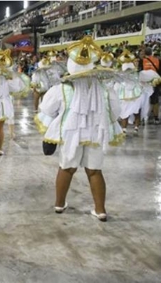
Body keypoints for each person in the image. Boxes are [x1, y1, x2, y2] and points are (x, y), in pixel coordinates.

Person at [35, 36, 124, 222]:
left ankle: (59, 205)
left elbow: (46, 109)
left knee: (66, 168)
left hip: (71, 134)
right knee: (95, 171)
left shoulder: (62, 88)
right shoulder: (105, 89)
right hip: (95, 134)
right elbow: (115, 114)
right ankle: (100, 211)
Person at [139, 47, 161, 124]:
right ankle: (156, 118)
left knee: (144, 100)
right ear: (152, 53)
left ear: (145, 53)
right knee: (155, 101)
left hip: (145, 83)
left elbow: (140, 72)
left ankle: (142, 118)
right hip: (155, 82)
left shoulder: (142, 61)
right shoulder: (158, 60)